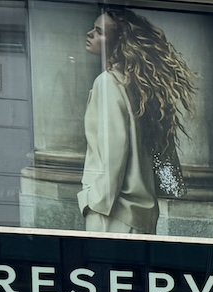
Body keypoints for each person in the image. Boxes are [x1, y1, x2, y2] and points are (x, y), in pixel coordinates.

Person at [80, 7, 194, 235]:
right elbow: (164, 158)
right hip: (142, 216)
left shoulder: (108, 83)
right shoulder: (144, 87)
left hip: (113, 214)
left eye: (100, 31)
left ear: (120, 40)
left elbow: (113, 153)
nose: (89, 34)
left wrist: (93, 201)